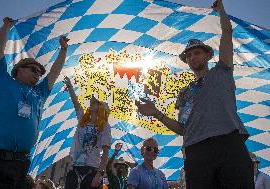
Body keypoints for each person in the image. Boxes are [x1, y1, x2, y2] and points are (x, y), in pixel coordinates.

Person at [135, 0, 254, 188]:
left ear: (207, 55)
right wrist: (156, 113)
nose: (192, 57)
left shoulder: (222, 71)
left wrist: (221, 11)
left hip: (229, 143)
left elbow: (227, 34)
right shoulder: (184, 93)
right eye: (189, 56)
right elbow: (183, 128)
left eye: (197, 53)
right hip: (196, 150)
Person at [0, 17, 69, 189]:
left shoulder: (39, 93)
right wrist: (6, 27)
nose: (38, 75)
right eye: (33, 70)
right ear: (18, 70)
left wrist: (63, 50)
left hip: (18, 164)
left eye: (39, 73)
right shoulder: (2, 79)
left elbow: (54, 72)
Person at [63, 76, 111, 189]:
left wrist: (100, 173)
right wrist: (70, 87)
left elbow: (105, 153)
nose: (91, 103)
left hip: (92, 169)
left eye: (94, 102)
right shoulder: (82, 120)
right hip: (75, 167)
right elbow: (76, 104)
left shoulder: (104, 127)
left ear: (100, 107)